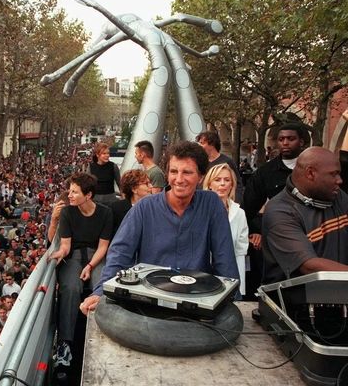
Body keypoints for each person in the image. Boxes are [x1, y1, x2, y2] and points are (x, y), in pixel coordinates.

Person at [81, 141, 239, 314]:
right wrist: (101, 292)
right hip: (148, 302)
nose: (179, 179)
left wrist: (232, 301)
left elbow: (225, 259)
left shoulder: (212, 204)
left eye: (187, 172)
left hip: (196, 302)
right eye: (173, 171)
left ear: (201, 176)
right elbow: (119, 254)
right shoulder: (144, 208)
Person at [49, 172, 113, 367]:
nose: (69, 196)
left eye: (74, 192)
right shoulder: (68, 213)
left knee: (102, 287)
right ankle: (65, 344)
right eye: (70, 191)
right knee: (70, 288)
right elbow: (66, 245)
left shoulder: (105, 213)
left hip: (96, 255)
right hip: (74, 255)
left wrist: (91, 266)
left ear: (88, 195)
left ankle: (105, 336)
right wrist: (59, 252)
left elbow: (103, 246)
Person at [262, 147, 348, 283]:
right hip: (295, 301)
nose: (339, 180)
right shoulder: (280, 211)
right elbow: (310, 266)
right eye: (333, 174)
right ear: (310, 173)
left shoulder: (336, 195)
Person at [242, 122, 308, 293]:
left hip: (311, 234)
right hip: (277, 239)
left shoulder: (312, 168)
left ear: (301, 142)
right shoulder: (265, 173)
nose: (285, 143)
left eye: (290, 139)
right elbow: (248, 208)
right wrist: (256, 230)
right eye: (281, 139)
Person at [203, 164, 249, 296]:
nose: (222, 184)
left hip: (228, 281)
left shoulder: (239, 214)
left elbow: (240, 254)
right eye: (217, 180)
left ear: (232, 184)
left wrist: (239, 289)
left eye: (227, 180)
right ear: (209, 183)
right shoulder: (199, 211)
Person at [196, 130, 242, 200]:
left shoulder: (227, 162)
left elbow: (237, 184)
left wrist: (236, 202)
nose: (199, 145)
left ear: (211, 144)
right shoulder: (199, 161)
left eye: (202, 143)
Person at [109, 169, 151, 238]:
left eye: (150, 183)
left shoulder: (155, 208)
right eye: (146, 184)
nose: (151, 186)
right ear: (134, 189)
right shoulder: (116, 209)